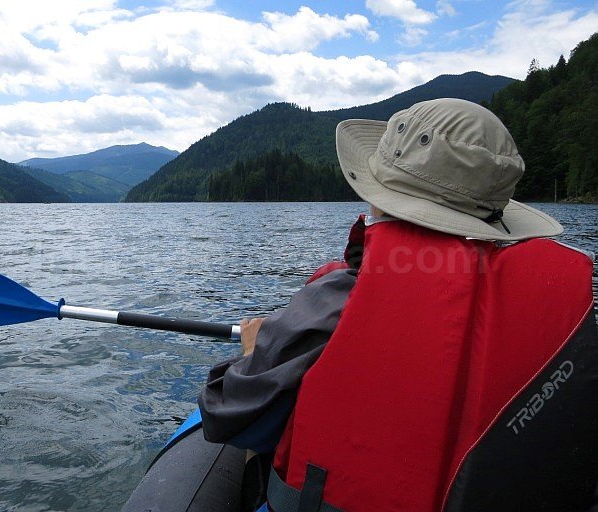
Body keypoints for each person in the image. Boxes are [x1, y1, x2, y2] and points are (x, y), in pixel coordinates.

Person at [198, 98, 598, 511]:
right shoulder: (558, 319)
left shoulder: (339, 297)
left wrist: (252, 351)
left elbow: (224, 413)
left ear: (379, 193)